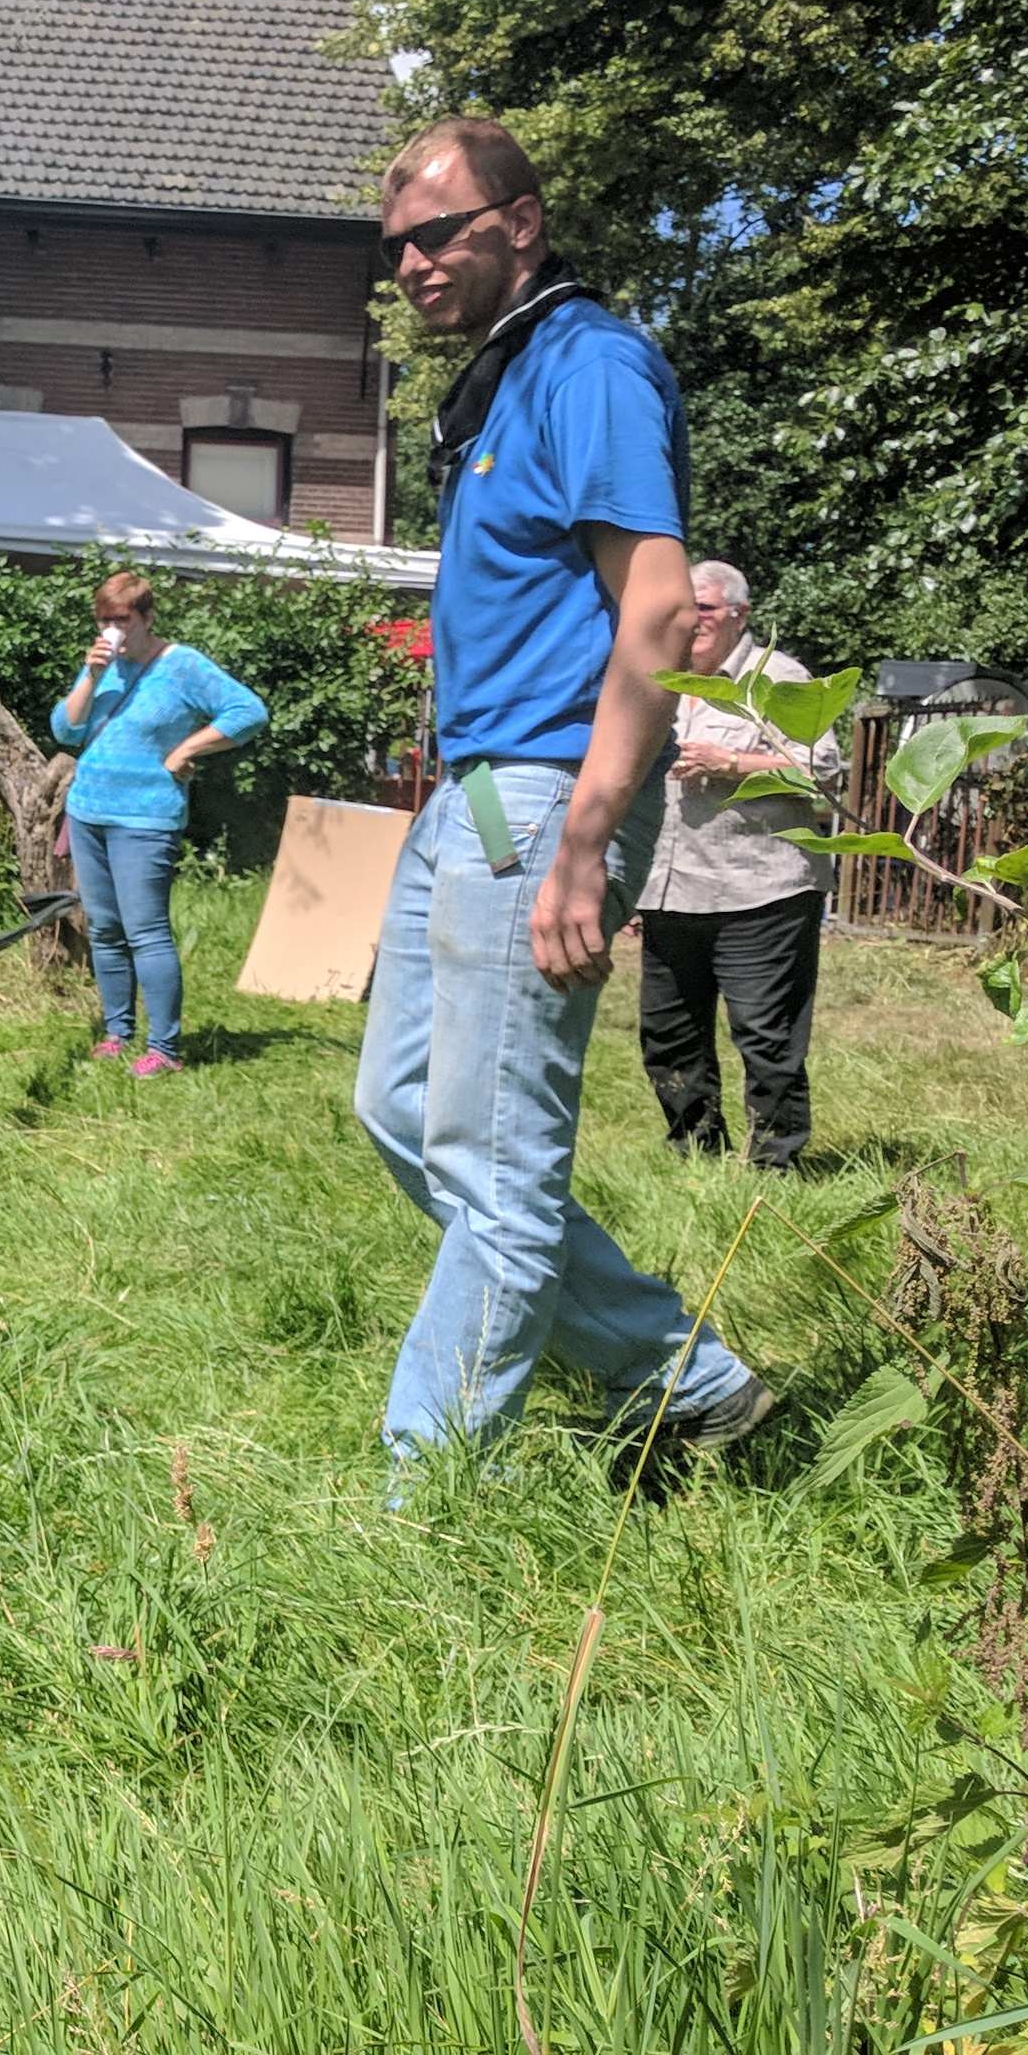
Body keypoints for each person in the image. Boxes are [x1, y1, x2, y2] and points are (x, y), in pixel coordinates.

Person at [351, 118, 773, 1490]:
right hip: (476, 793)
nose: (414, 262)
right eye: (399, 243)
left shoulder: (588, 363)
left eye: (442, 232)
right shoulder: (507, 379)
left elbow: (654, 601)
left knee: (494, 1158)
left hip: (540, 794)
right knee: (405, 1110)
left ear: (522, 223)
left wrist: (587, 836)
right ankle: (689, 1378)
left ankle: (426, 1490)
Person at [638, 561, 839, 1173]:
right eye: (684, 607)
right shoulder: (658, 679)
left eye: (704, 608)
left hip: (761, 891)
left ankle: (775, 1166)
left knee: (766, 1036)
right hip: (670, 892)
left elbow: (823, 769)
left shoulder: (777, 679)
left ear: (737, 615)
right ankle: (695, 1154)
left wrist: (731, 760)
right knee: (669, 1035)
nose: (691, 621)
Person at [48, 569, 268, 1075]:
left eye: (122, 620)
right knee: (104, 929)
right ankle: (117, 1033)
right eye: (104, 620)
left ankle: (164, 1050)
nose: (113, 630)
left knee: (146, 931)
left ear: (147, 617)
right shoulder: (103, 666)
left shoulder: (182, 665)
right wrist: (93, 676)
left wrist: (188, 747)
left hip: (145, 819)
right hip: (87, 812)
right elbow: (65, 728)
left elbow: (248, 711)